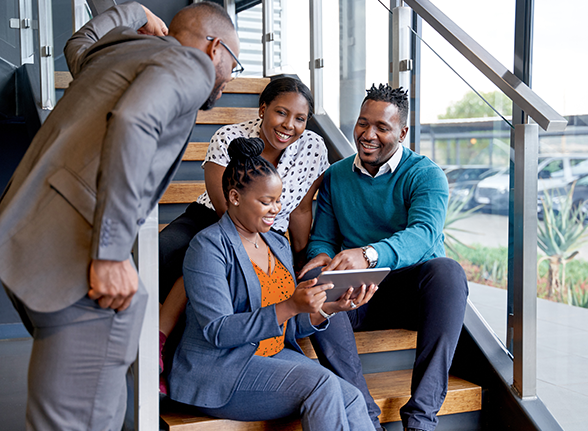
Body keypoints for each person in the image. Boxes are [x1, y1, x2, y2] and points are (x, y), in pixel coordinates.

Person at [0, 0, 241, 430]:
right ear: (215, 48)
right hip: (80, 266)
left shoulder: (122, 54)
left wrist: (132, 11)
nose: (227, 80)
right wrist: (112, 253)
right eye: (234, 65)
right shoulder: (192, 64)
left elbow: (78, 44)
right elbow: (135, 120)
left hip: (30, 246)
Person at [168, 137, 377, 430]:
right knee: (323, 385)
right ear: (235, 197)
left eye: (278, 200)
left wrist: (329, 307)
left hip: (274, 355)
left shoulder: (277, 244)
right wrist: (291, 305)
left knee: (352, 398)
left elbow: (288, 324)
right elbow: (218, 331)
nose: (275, 209)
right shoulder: (208, 247)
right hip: (222, 369)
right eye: (266, 201)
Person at [298, 84, 469, 431]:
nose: (368, 134)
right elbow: (323, 238)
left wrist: (368, 254)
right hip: (355, 296)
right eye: (363, 123)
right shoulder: (337, 175)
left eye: (381, 127)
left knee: (448, 272)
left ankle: (421, 417)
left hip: (409, 292)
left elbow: (423, 236)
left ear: (402, 132)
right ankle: (365, 416)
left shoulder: (426, 174)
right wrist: (319, 257)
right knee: (312, 286)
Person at [158, 77, 329, 383]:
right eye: (281, 113)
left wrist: (301, 256)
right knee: (168, 252)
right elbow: (226, 207)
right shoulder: (229, 136)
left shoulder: (313, 147)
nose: (289, 125)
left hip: (270, 230)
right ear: (263, 108)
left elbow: (302, 209)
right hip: (214, 216)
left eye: (300, 118)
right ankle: (160, 340)